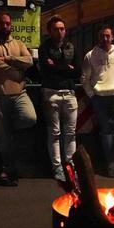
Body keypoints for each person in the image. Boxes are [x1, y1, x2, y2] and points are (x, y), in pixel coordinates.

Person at [0, 11, 37, 186]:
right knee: (3, 137)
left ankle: (10, 129)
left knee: (30, 118)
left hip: (20, 93)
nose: (5, 26)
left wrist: (7, 58)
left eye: (7, 24)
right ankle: (8, 170)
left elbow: (29, 61)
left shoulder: (18, 43)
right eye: (1, 23)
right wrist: (15, 68)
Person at [81, 26, 114, 177]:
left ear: (112, 38)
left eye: (107, 36)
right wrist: (91, 95)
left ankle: (110, 131)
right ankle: (111, 165)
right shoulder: (90, 56)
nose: (105, 39)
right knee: (105, 131)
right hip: (99, 98)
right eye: (102, 36)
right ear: (99, 38)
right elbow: (85, 78)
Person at [39, 15, 81, 182]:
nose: (59, 32)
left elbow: (77, 72)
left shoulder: (71, 47)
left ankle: (70, 167)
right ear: (49, 31)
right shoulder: (44, 48)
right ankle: (57, 168)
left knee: (70, 133)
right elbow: (45, 70)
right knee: (54, 133)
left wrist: (56, 67)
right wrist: (66, 68)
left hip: (70, 94)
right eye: (56, 29)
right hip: (51, 93)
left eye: (62, 29)